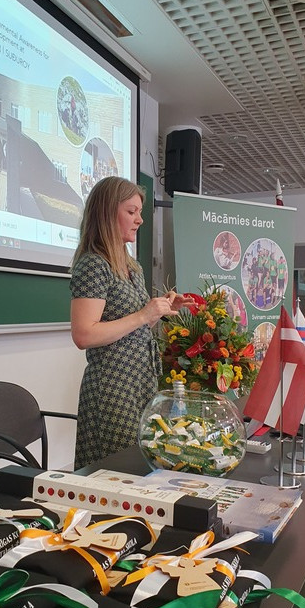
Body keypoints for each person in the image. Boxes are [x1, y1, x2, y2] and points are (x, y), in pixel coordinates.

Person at [70, 176, 195, 468]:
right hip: (113, 389)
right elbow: (84, 335)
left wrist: (159, 310)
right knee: (118, 471)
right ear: (106, 212)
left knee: (144, 464)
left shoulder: (131, 266)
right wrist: (143, 314)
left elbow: (133, 329)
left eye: (139, 212)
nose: (140, 220)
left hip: (140, 382)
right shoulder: (93, 265)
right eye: (131, 211)